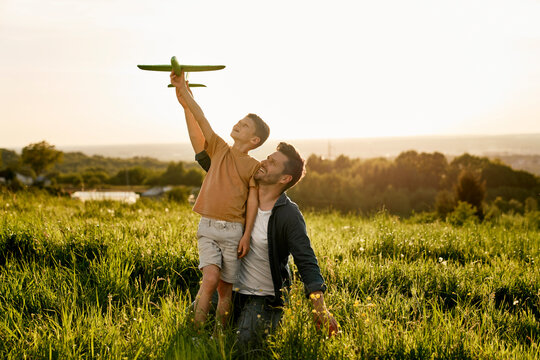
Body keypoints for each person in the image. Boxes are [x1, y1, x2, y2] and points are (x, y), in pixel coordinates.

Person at [177, 81, 338, 346]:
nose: (264, 161)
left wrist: (319, 306)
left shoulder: (287, 215)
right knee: (192, 328)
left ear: (285, 178)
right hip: (229, 287)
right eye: (267, 157)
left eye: (272, 162)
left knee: (243, 345)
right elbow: (201, 144)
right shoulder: (237, 188)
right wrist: (185, 100)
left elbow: (306, 260)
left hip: (263, 296)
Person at [170, 71, 270, 329]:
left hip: (234, 232)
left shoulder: (253, 167)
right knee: (210, 279)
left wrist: (247, 235)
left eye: (245, 125)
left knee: (225, 290)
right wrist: (184, 91)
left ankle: (219, 338)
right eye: (239, 121)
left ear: (254, 140)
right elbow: (201, 118)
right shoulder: (217, 147)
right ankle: (195, 332)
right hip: (208, 228)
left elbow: (252, 203)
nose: (238, 124)